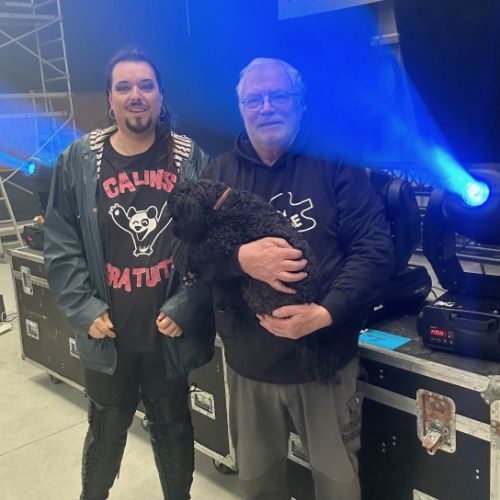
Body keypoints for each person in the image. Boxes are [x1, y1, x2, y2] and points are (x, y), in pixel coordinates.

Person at [202, 57, 395, 499]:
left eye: (279, 96)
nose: (266, 107)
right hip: (250, 366)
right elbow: (187, 254)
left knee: (338, 487)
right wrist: (240, 258)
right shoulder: (218, 175)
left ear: (301, 103)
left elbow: (375, 249)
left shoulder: (335, 165)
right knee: (257, 486)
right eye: (254, 99)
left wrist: (325, 313)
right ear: (241, 108)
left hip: (325, 361)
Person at [44, 48, 214, 500]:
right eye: (124, 86)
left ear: (161, 96)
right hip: (108, 335)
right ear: (110, 98)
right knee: (104, 432)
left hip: (167, 336)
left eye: (145, 85)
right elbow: (60, 244)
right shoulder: (79, 160)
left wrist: (189, 304)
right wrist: (84, 308)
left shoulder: (190, 158)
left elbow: (214, 244)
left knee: (174, 429)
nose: (135, 95)